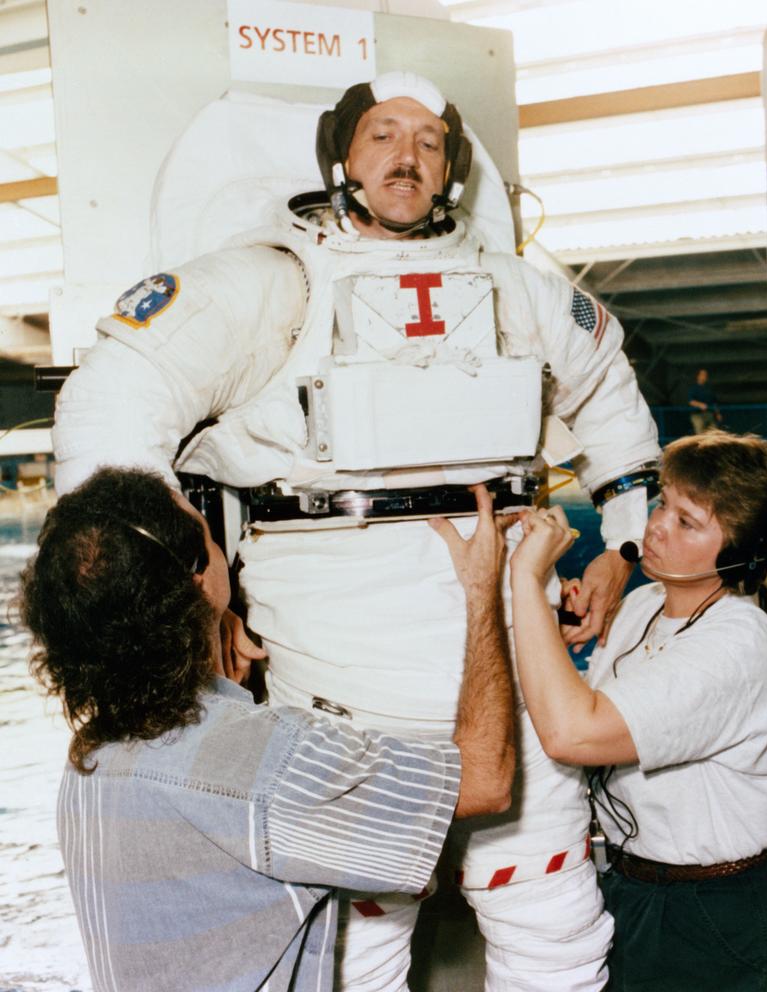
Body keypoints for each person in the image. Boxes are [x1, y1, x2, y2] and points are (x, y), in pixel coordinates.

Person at [51, 72, 660, 990]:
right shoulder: (268, 281)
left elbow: (616, 413)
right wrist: (184, 605)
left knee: (555, 928)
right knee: (353, 953)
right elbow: (113, 399)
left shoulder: (516, 290)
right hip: (337, 666)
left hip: (506, 646)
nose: (405, 157)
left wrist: (621, 550)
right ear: (341, 154)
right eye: (383, 136)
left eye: (428, 140)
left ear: (451, 168)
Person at [20, 468, 516, 991]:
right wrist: (486, 590)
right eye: (210, 534)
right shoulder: (266, 764)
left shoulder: (90, 757)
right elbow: (486, 779)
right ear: (197, 583)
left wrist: (209, 653)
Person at [508, 431, 767, 991]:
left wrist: (526, 580)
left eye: (686, 522)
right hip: (635, 890)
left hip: (723, 913)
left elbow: (575, 733)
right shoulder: (646, 604)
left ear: (741, 552)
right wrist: (557, 624)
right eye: (662, 504)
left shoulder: (739, 644)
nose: (655, 526)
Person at [686, 367, 722, 433]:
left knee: (714, 432)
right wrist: (700, 405)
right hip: (697, 415)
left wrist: (717, 413)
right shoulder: (693, 388)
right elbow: (691, 401)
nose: (704, 377)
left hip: (709, 414)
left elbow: (714, 402)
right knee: (700, 433)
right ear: (698, 376)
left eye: (705, 375)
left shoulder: (709, 389)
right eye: (702, 375)